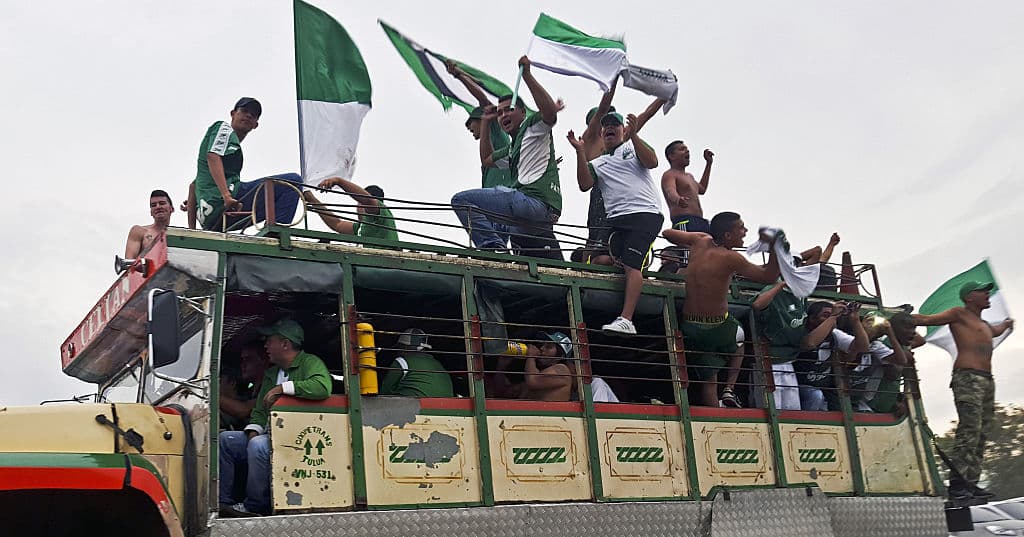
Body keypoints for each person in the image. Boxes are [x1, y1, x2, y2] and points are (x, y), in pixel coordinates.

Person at [451, 56, 563, 260]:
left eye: (509, 110)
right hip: (535, 217)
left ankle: (493, 247)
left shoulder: (533, 128)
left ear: (523, 113)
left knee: (461, 200)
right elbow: (486, 160)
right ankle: (500, 254)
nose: (503, 115)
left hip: (534, 204)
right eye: (500, 113)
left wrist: (527, 75)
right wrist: (486, 122)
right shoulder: (512, 148)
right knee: (501, 224)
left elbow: (550, 114)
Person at [663, 212, 781, 407]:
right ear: (727, 235)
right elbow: (768, 277)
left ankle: (716, 410)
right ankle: (729, 389)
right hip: (717, 327)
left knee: (710, 381)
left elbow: (667, 233)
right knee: (740, 337)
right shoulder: (731, 257)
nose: (745, 231)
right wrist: (776, 248)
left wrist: (698, 238)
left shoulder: (700, 240)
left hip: (690, 325)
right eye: (741, 228)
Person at [912, 281, 1014, 501]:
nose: (987, 294)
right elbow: (928, 320)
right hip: (967, 378)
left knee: (982, 432)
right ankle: (958, 484)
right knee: (970, 429)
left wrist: (1006, 324)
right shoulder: (959, 314)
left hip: (987, 380)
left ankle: (971, 482)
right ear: (969, 297)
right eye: (982, 291)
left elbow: (995, 330)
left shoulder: (983, 323)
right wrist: (905, 317)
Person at [218, 319, 331, 517]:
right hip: (270, 436)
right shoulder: (271, 374)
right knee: (226, 441)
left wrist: (283, 388)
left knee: (258, 446)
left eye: (270, 341)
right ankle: (223, 503)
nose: (266, 346)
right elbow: (259, 412)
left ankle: (255, 507)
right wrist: (252, 432)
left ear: (285, 344)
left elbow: (322, 387)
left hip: (297, 439)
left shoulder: (309, 362)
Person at [567, 107, 663, 336]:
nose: (609, 128)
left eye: (615, 125)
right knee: (599, 257)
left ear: (623, 130)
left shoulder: (631, 147)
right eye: (605, 126)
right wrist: (580, 151)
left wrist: (635, 135)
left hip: (644, 214)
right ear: (601, 134)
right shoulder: (598, 162)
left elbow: (652, 162)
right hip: (616, 220)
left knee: (632, 265)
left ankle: (626, 320)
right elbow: (584, 184)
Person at [573, 78, 665, 266]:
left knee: (623, 241)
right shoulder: (588, 139)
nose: (609, 123)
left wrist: (663, 96)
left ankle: (629, 262)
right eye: (604, 119)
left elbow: (645, 115)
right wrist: (613, 79)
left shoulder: (620, 139)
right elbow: (603, 106)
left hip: (622, 197)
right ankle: (585, 270)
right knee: (594, 237)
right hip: (600, 193)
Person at [190, 97, 302, 231]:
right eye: (244, 111)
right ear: (233, 114)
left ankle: (274, 230)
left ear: (255, 125)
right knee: (293, 181)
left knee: (276, 200)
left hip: (214, 222)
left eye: (253, 115)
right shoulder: (223, 128)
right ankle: (278, 231)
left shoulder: (221, 164)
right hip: (224, 202)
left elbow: (193, 186)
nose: (248, 115)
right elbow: (213, 155)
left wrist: (191, 230)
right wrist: (226, 196)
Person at [445, 60, 516, 190]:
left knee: (460, 198)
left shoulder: (494, 130)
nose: (468, 128)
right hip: (491, 197)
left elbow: (483, 99)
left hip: (503, 194)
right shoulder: (486, 145)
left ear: (481, 118)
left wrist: (458, 75)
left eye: (470, 123)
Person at [792, 301, 869, 411]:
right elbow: (810, 343)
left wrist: (855, 321)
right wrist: (833, 316)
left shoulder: (834, 334)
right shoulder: (801, 331)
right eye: (825, 315)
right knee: (815, 396)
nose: (832, 319)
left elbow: (863, 347)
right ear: (812, 318)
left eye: (834, 316)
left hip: (825, 388)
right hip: (798, 386)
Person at [659, 141, 714, 273]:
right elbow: (670, 190)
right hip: (684, 221)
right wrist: (677, 199)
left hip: (699, 221)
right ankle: (683, 280)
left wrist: (708, 164)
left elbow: (702, 189)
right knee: (688, 258)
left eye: (687, 149)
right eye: (682, 149)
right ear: (671, 156)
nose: (687, 151)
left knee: (704, 253)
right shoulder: (670, 174)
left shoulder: (689, 176)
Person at [303, 177, 399, 241]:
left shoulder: (380, 215)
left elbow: (368, 201)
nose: (358, 207)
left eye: (360, 203)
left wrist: (339, 181)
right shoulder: (361, 227)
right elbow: (337, 224)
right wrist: (312, 200)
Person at [380, 328, 454, 398]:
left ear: (405, 347)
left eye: (399, 348)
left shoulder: (401, 361)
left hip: (413, 405)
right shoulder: (438, 364)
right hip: (447, 405)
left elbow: (385, 391)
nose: (398, 352)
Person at [219, 342, 270, 431]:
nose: (243, 364)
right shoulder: (249, 389)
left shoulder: (269, 386)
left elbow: (243, 410)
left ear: (264, 361)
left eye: (248, 359)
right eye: (242, 360)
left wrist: (211, 395)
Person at [520, 331, 575, 402]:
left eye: (548, 347)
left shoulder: (562, 370)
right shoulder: (543, 372)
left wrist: (530, 356)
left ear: (559, 356)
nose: (542, 348)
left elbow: (533, 381)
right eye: (543, 345)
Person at [124, 190, 174, 259]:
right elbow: (129, 262)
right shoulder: (139, 231)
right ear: (151, 212)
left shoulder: (178, 236)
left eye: (162, 203)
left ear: (171, 209)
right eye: (153, 205)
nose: (158, 207)